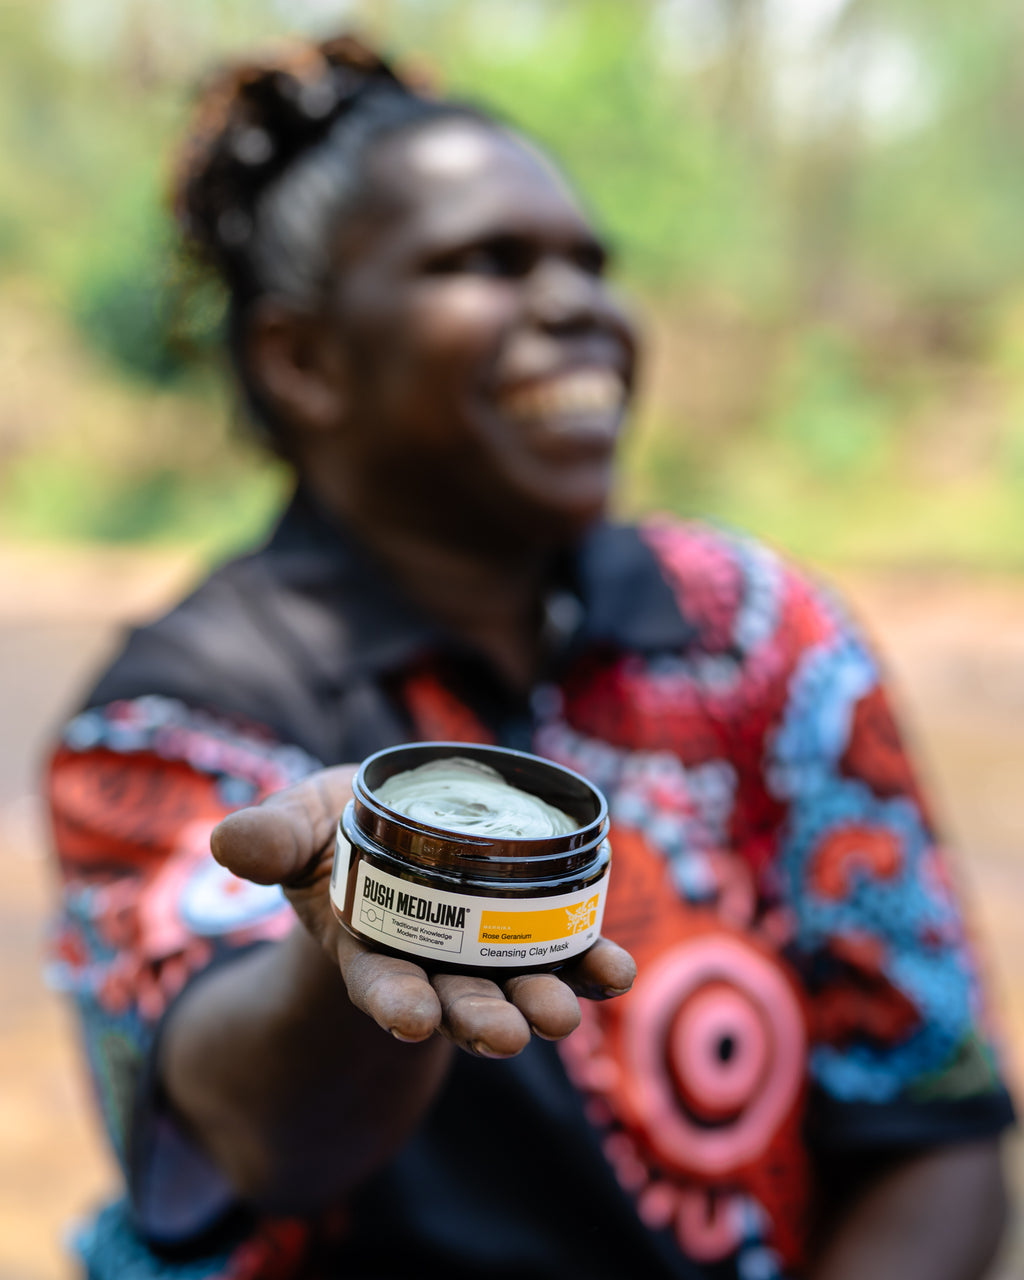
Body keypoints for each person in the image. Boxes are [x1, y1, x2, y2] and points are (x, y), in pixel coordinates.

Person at [47, 33, 1014, 1280]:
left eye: (590, 265)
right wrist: (347, 958)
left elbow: (930, 1127)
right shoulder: (174, 710)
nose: (579, 307)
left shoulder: (760, 635)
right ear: (304, 359)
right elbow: (245, 1129)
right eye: (486, 263)